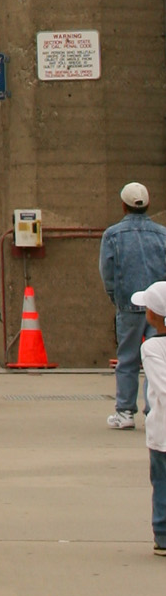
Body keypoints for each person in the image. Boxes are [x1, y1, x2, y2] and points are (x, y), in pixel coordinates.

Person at [99, 183, 166, 429]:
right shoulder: (162, 234)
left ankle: (125, 412)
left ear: (123, 205)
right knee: (157, 358)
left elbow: (107, 270)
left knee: (127, 359)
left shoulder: (113, 235)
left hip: (128, 303)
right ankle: (154, 412)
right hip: (160, 306)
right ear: (148, 204)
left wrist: (115, 296)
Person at [132, 282, 166, 554]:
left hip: (162, 433)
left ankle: (163, 535)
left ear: (153, 315)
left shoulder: (152, 347)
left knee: (162, 483)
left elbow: (162, 388)